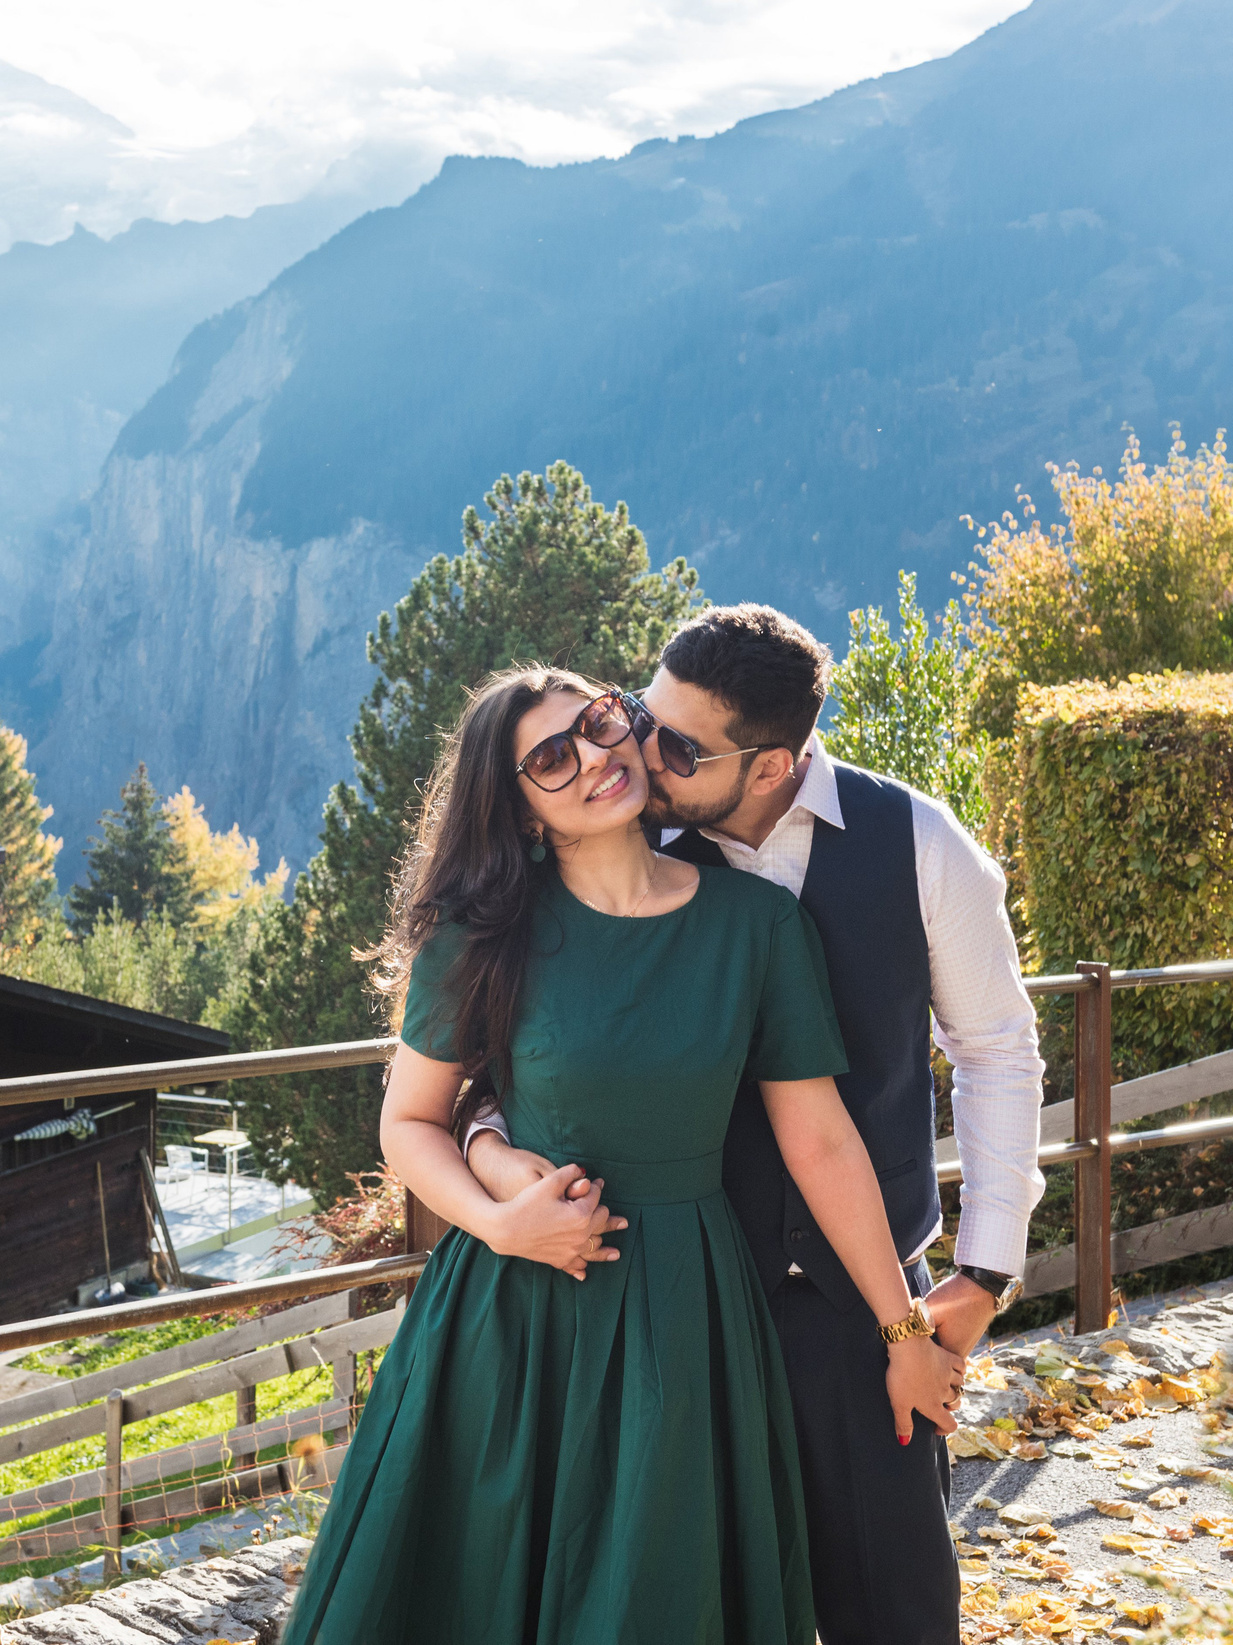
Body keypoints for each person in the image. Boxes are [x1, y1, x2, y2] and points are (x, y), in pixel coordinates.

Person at [284, 665, 961, 1645]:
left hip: (685, 1317)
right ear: (518, 807)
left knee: (656, 1594)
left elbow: (818, 1140)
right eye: (552, 757)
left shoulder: (755, 925)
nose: (596, 756)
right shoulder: (483, 937)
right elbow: (409, 1123)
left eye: (599, 722)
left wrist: (903, 1335)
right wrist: (500, 1218)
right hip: (512, 1316)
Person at [467, 605, 1046, 1645]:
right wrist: (492, 1154)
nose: (639, 751)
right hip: (668, 1304)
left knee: (899, 1609)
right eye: (641, 716)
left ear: (774, 764)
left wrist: (985, 1271)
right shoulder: (605, 838)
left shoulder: (918, 842)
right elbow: (493, 1039)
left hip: (861, 1313)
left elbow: (997, 1049)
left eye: (678, 745)